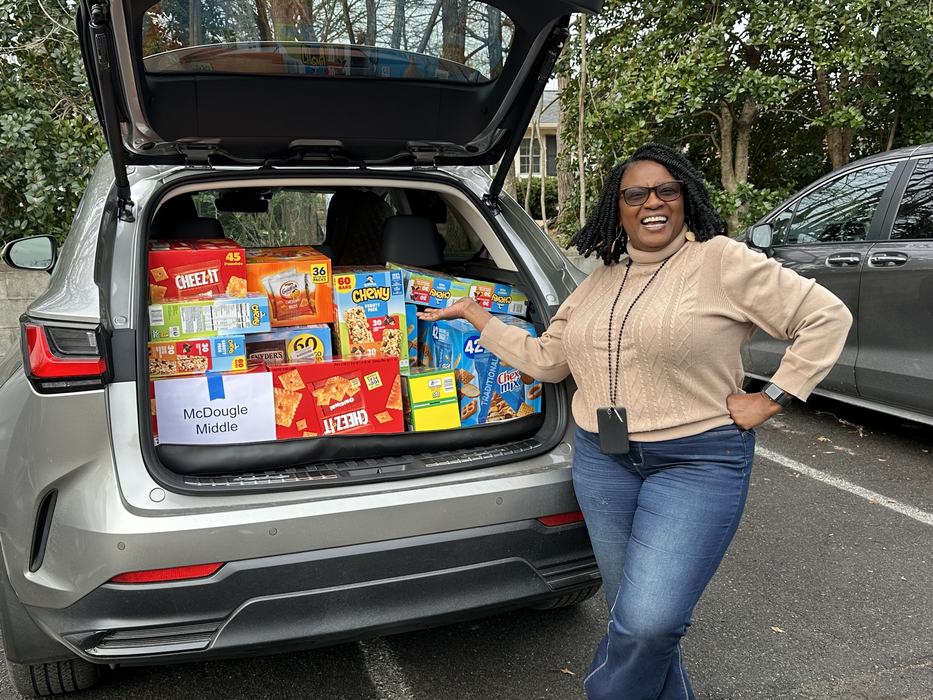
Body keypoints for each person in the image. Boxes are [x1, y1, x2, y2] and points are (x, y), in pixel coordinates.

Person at [417, 143, 852, 699]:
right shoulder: (601, 277)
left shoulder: (720, 260)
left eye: (667, 191)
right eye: (636, 194)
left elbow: (825, 316)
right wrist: (478, 316)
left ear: (686, 200)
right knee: (635, 623)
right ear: (616, 208)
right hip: (604, 463)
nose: (653, 202)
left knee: (649, 624)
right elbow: (550, 361)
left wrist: (772, 397)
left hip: (697, 461)